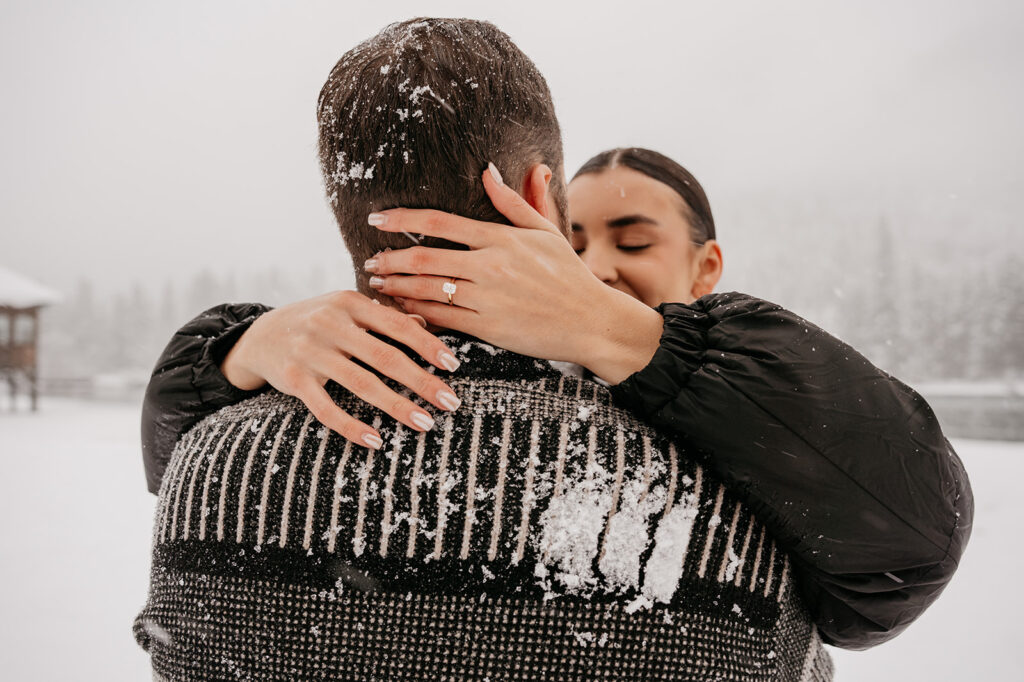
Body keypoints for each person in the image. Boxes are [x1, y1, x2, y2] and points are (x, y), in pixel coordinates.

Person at [134, 17, 833, 681]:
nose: (593, 272)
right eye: (581, 238)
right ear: (541, 194)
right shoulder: (735, 500)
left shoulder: (210, 476)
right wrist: (237, 348)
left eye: (635, 240)